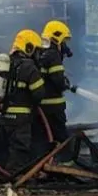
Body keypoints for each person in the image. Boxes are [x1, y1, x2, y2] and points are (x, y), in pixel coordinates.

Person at [0, 29, 47, 175]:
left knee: (7, 147)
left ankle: (3, 173)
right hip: (21, 118)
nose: (38, 54)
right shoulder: (29, 67)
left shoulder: (4, 63)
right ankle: (15, 177)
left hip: (4, 116)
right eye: (36, 50)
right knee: (20, 149)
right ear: (29, 48)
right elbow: (39, 94)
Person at [37, 20, 73, 160]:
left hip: (42, 106)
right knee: (61, 137)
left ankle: (46, 163)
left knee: (45, 138)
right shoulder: (53, 55)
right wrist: (66, 83)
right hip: (54, 107)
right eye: (63, 41)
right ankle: (65, 162)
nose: (64, 45)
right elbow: (58, 81)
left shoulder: (41, 53)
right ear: (56, 38)